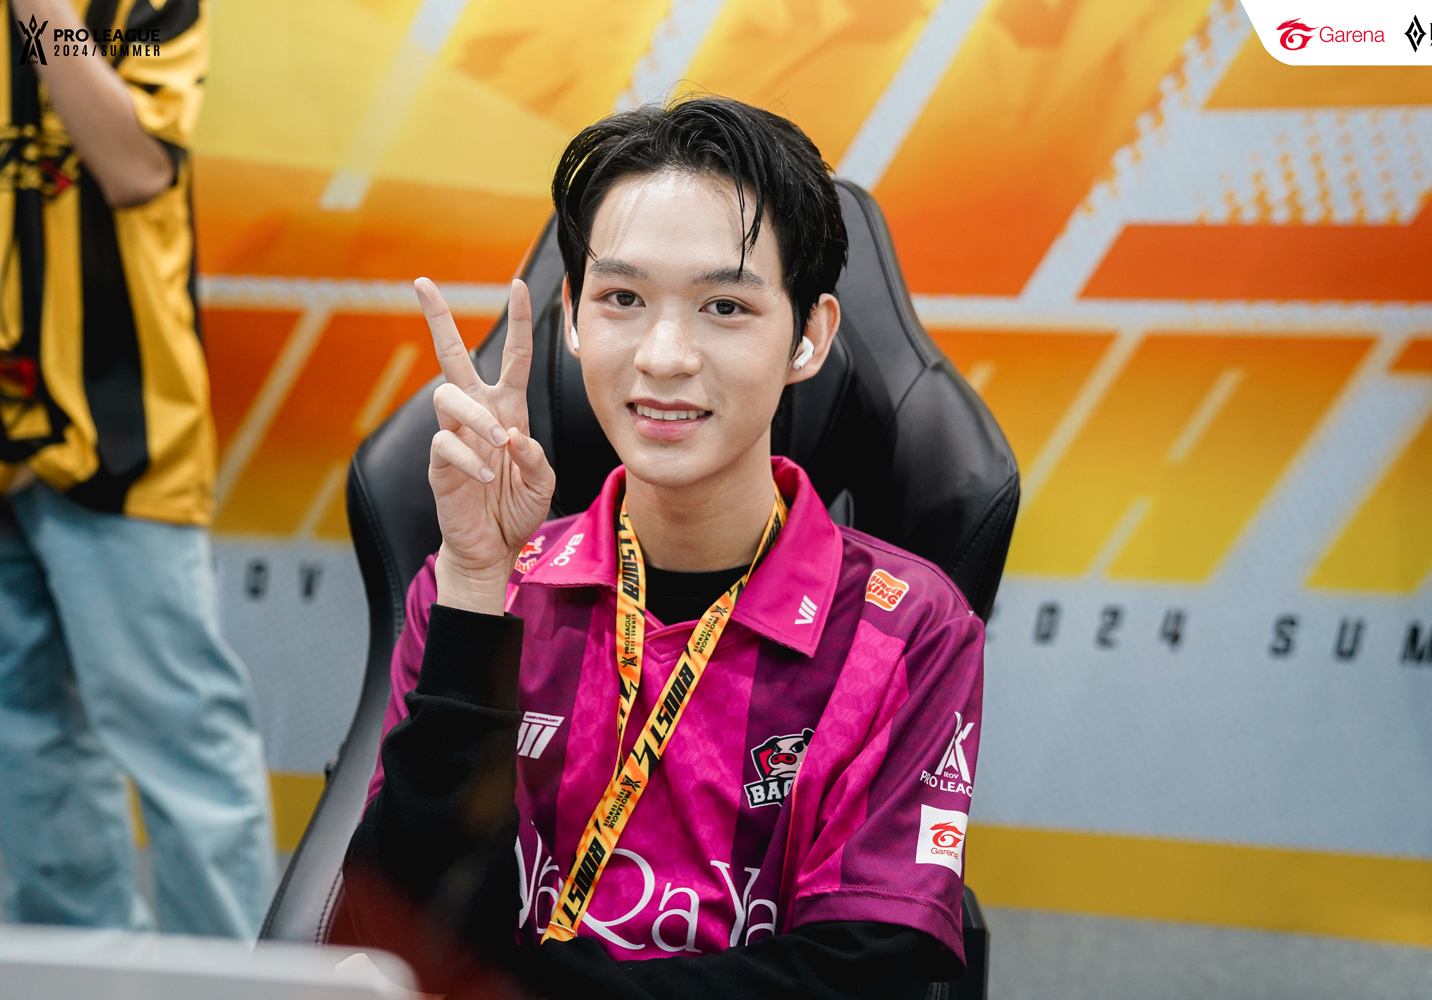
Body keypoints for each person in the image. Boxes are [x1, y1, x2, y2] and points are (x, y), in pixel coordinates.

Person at [343, 96, 985, 998]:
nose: (665, 355)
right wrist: (475, 585)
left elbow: (861, 968)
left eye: (725, 305)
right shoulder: (482, 584)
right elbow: (393, 926)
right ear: (573, 321)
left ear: (809, 337)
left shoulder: (906, 629)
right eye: (622, 299)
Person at [0, 0, 275, 937]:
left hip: (121, 426)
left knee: (174, 730)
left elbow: (134, 165)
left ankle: (228, 986)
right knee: (26, 746)